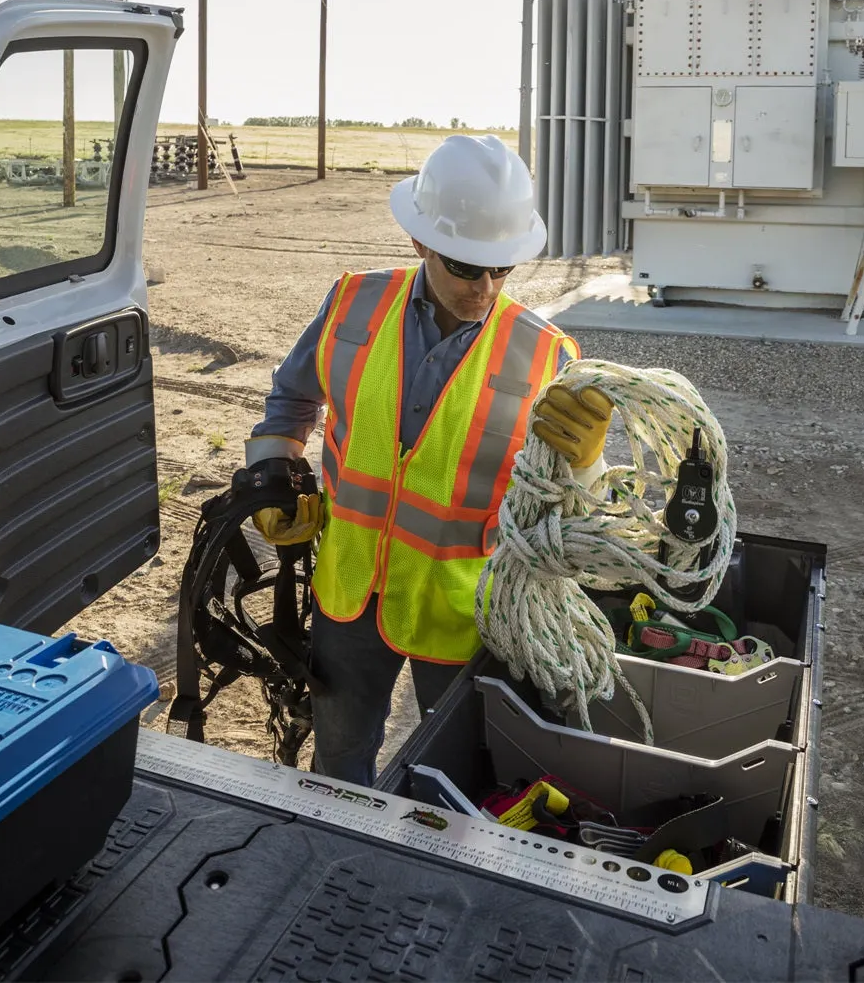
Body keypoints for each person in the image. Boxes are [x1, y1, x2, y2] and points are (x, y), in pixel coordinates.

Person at [245, 134, 613, 784]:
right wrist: (272, 473)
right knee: (339, 764)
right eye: (468, 268)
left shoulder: (545, 355)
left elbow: (573, 516)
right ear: (420, 243)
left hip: (461, 613)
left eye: (502, 269)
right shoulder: (352, 305)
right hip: (349, 593)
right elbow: (291, 399)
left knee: (462, 780)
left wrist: (585, 464)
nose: (486, 287)